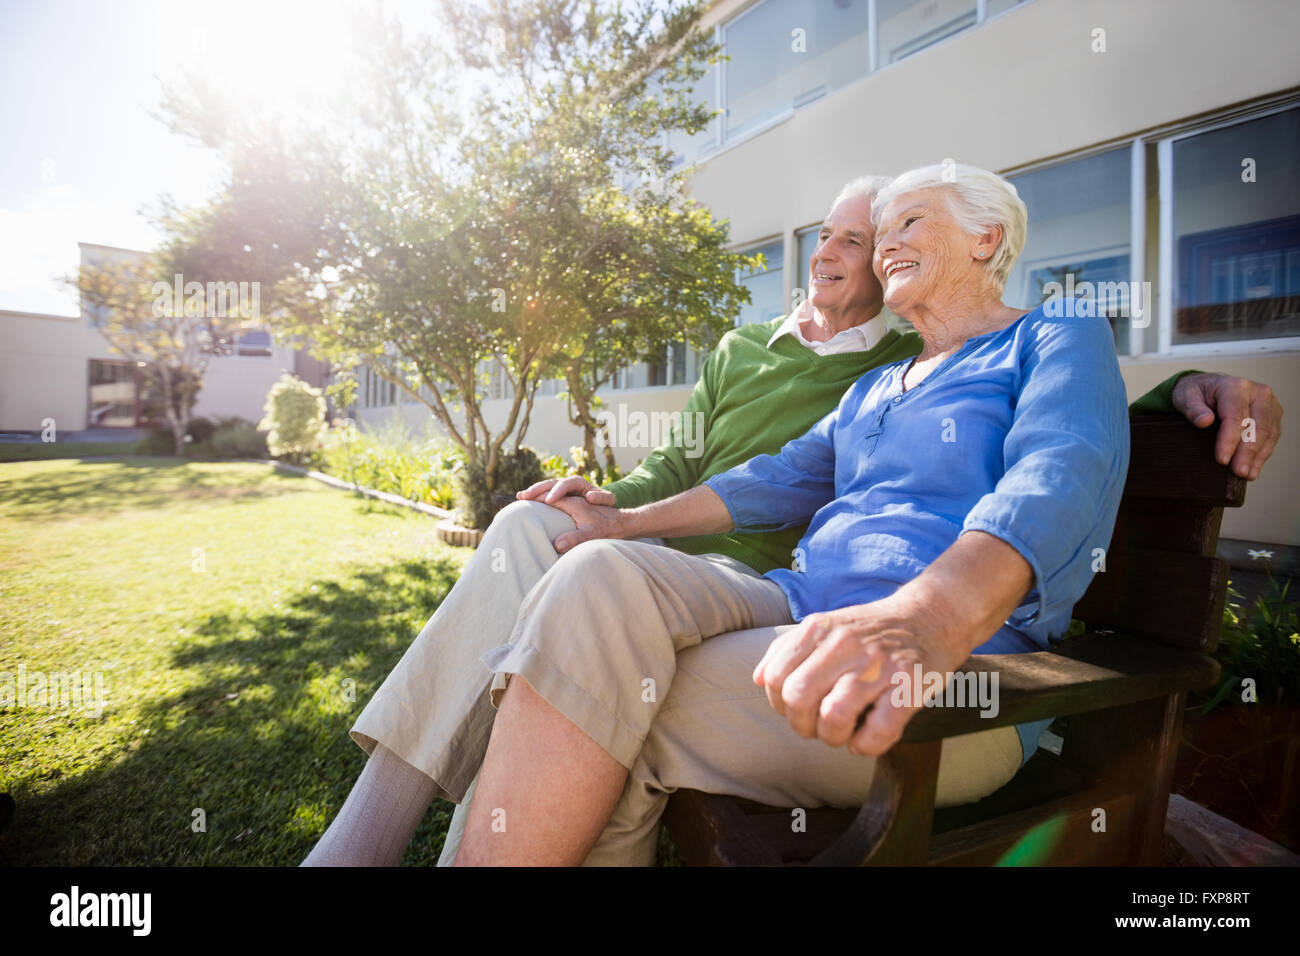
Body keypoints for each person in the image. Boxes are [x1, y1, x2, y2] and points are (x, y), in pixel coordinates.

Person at [302, 171, 1283, 867]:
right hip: (791, 607)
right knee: (589, 582)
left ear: (986, 237)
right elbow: (772, 479)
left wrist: (921, 619)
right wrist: (623, 524)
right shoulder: (878, 385)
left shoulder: (1055, 337)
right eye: (873, 227)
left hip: (959, 677)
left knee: (585, 691)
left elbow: (1061, 474)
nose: (882, 242)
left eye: (908, 222)